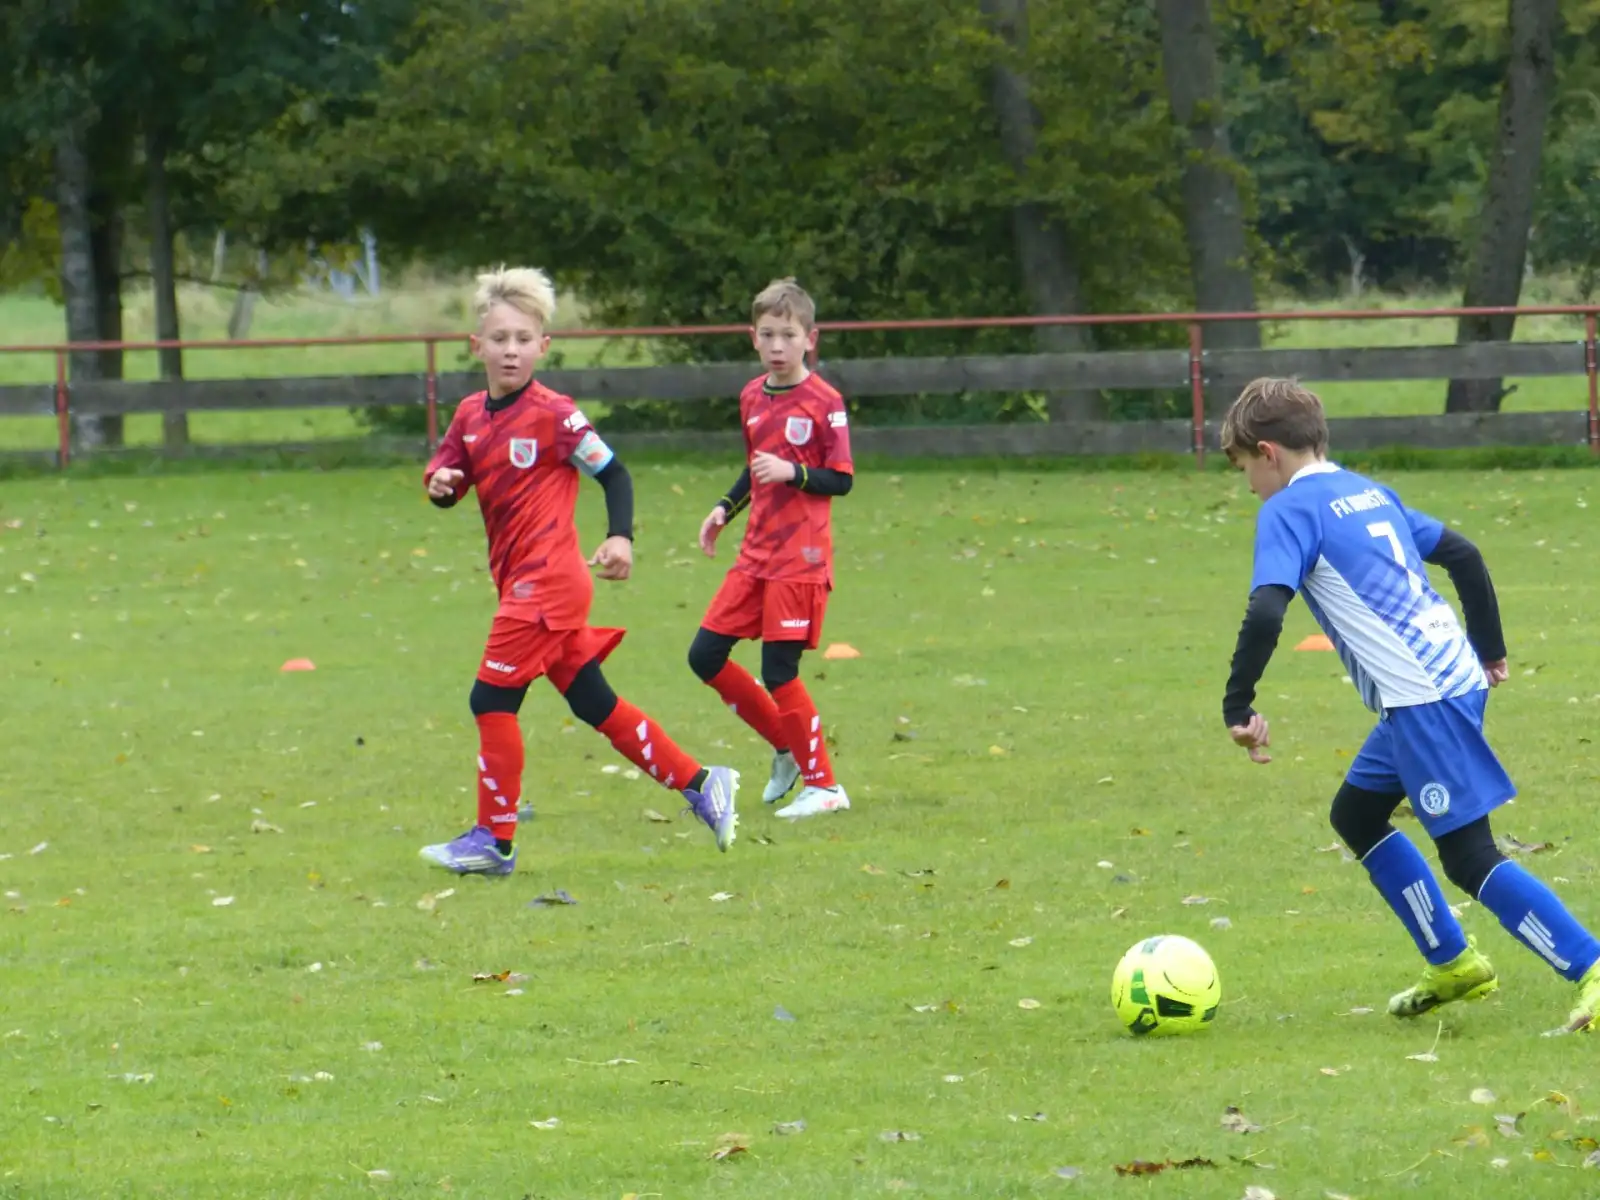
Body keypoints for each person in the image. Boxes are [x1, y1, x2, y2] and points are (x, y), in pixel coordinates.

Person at [1219, 377, 1600, 1034]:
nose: (1249, 482)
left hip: (1424, 696)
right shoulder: (1365, 491)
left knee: (1468, 855)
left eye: (1245, 468)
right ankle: (1452, 962)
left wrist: (1239, 705)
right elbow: (1463, 553)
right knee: (1358, 814)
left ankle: (1589, 964)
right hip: (1443, 681)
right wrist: (1489, 649)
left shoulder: (1288, 510)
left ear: (1269, 451)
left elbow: (1265, 608)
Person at [418, 266, 739, 874]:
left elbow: (614, 473)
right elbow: (449, 480)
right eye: (499, 338)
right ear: (476, 345)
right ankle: (703, 784)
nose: (510, 350)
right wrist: (440, 485)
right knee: (595, 703)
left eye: (522, 338)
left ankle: (494, 840)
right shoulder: (468, 416)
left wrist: (620, 536)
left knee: (490, 698)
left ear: (543, 346)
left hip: (549, 584)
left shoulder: (555, 415)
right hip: (521, 584)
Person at [687, 278, 854, 820]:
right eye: (768, 334)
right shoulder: (752, 396)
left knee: (779, 669)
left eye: (789, 334)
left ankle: (825, 786)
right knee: (705, 655)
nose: (778, 345)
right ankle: (786, 748)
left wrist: (795, 472)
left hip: (800, 558)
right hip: (756, 555)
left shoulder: (825, 401)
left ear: (811, 338)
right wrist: (722, 509)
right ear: (753, 338)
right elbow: (754, 469)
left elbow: (841, 479)